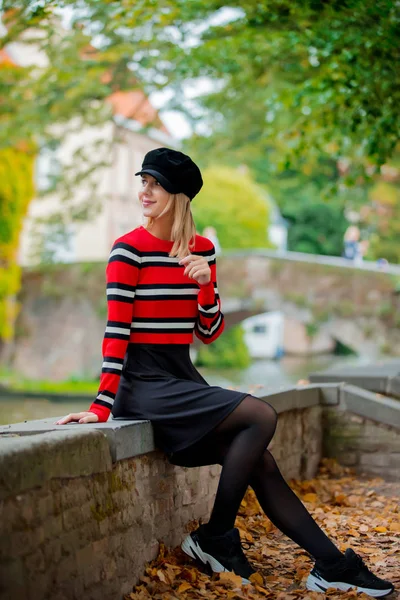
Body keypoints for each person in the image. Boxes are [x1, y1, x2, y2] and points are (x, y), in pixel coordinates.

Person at [56, 148, 394, 597]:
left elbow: (210, 331)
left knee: (263, 462)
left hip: (180, 377)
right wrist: (101, 407)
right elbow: (116, 331)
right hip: (144, 385)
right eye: (144, 182)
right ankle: (217, 535)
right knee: (260, 415)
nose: (145, 192)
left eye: (155, 184)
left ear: (178, 195)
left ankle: (331, 564)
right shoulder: (127, 251)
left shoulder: (203, 251)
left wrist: (206, 285)